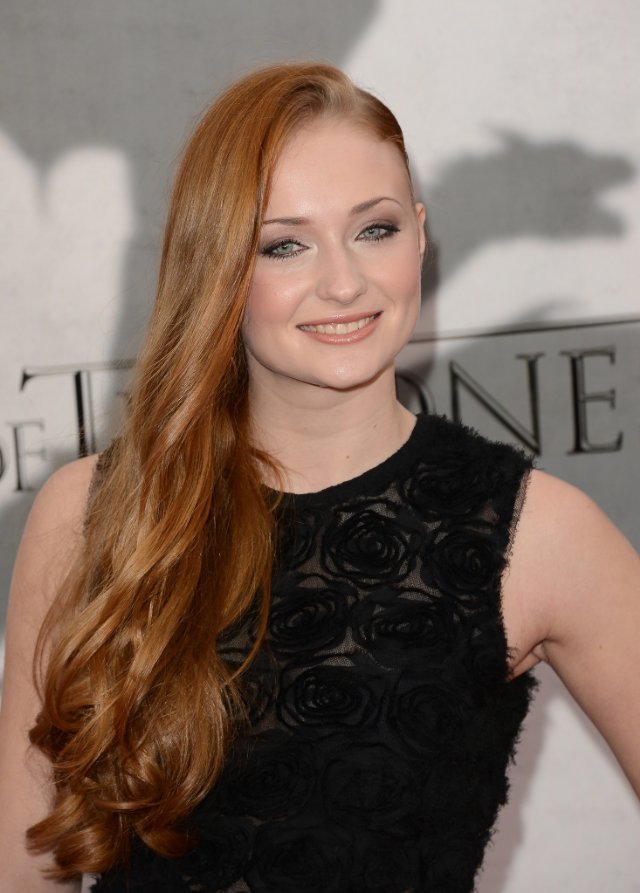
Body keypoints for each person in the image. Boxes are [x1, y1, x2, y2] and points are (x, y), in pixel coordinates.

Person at [0, 62, 638, 893]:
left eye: (375, 229)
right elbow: (26, 867)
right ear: (219, 266)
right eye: (285, 244)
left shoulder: (538, 534)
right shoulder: (94, 515)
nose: (343, 281)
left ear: (420, 235)